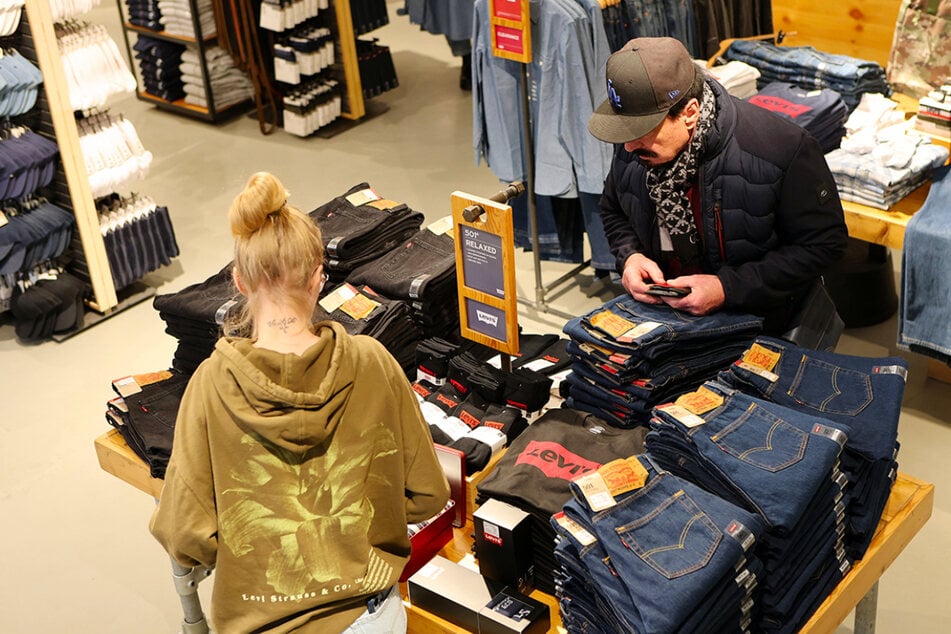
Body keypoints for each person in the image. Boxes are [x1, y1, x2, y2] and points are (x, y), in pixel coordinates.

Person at [149, 172, 451, 633]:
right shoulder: (373, 362)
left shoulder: (212, 384)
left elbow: (184, 533)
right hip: (368, 615)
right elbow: (429, 491)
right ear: (318, 279)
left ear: (239, 283)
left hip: (261, 619)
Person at [588, 37, 848, 334]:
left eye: (643, 130)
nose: (630, 145)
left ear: (689, 113)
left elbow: (824, 244)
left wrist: (728, 288)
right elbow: (613, 209)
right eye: (625, 130)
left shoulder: (782, 149)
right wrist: (630, 257)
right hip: (664, 324)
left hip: (757, 326)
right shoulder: (634, 146)